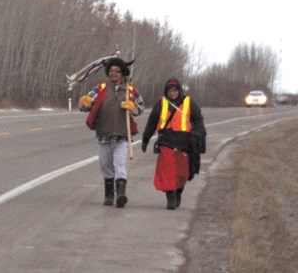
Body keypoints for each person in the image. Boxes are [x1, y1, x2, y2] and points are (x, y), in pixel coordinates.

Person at [79, 58, 144, 208]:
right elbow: (86, 105)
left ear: (122, 74)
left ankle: (121, 194)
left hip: (122, 134)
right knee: (106, 165)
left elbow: (140, 108)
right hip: (103, 133)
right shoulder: (101, 88)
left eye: (116, 71)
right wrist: (85, 102)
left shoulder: (130, 90)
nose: (113, 73)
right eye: (111, 71)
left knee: (119, 164)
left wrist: (132, 107)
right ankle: (109, 195)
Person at [140, 77, 206, 210]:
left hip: (184, 142)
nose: (172, 93)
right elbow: (152, 122)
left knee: (183, 173)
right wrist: (145, 139)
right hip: (166, 141)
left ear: (179, 90)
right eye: (170, 90)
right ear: (166, 91)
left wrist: (198, 135)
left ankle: (178, 191)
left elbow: (198, 121)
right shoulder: (161, 103)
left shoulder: (189, 102)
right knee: (167, 171)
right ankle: (170, 197)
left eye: (175, 90)